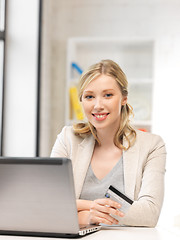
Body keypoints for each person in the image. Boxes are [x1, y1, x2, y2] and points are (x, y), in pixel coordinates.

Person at [50, 59, 166, 227]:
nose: (98, 105)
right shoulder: (68, 138)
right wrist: (89, 212)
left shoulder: (152, 145)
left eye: (108, 95)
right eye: (89, 96)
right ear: (82, 100)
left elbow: (149, 214)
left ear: (124, 98)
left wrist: (78, 208)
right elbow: (50, 202)